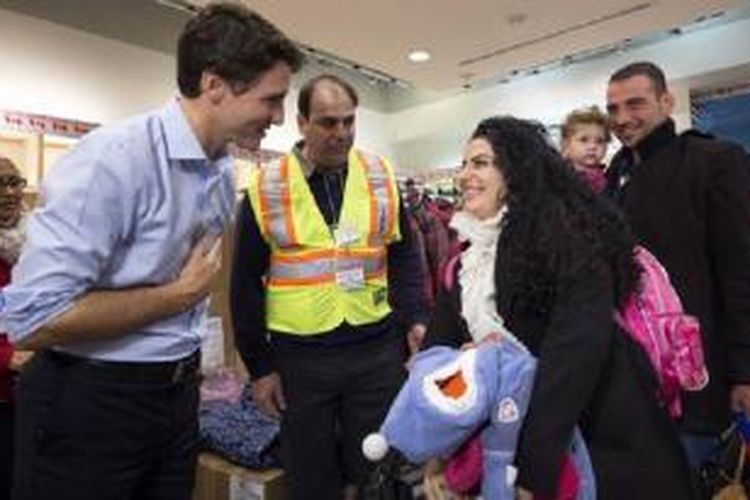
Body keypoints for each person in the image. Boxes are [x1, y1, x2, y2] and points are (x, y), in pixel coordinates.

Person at [0, 4, 303, 500]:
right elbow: (32, 317)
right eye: (272, 99)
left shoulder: (221, 172)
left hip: (176, 401)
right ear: (214, 85)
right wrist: (174, 297)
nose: (278, 117)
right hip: (90, 405)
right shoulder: (112, 160)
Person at [422, 116, 694, 499]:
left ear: (516, 172)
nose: (465, 175)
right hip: (517, 447)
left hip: (605, 444)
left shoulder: (568, 243)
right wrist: (439, 448)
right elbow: (440, 358)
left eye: (480, 163)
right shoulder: (464, 262)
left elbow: (572, 362)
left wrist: (533, 472)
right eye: (464, 164)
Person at [230, 74, 427, 499]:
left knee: (380, 465)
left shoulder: (379, 174)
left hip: (375, 348)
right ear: (302, 123)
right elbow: (244, 282)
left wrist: (414, 316)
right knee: (310, 472)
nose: (341, 133)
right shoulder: (267, 186)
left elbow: (405, 254)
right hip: (300, 358)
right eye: (328, 123)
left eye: (348, 121)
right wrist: (260, 367)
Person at [605, 61, 750, 471]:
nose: (622, 118)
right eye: (613, 109)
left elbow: (740, 272)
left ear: (666, 102)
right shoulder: (614, 179)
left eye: (635, 104)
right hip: (633, 382)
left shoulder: (713, 160)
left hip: (701, 376)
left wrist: (744, 371)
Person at [0, 157, 32, 499]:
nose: (9, 193)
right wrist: (8, 357)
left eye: (15, 182)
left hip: (29, 396)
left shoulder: (34, 244)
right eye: (0, 184)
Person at [404, 178, 450, 308]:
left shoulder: (431, 217)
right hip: (429, 281)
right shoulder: (416, 218)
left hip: (432, 279)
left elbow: (439, 256)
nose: (410, 197)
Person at [560, 105, 610, 193]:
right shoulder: (562, 176)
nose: (592, 146)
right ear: (566, 145)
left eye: (599, 141)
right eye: (583, 140)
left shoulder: (608, 176)